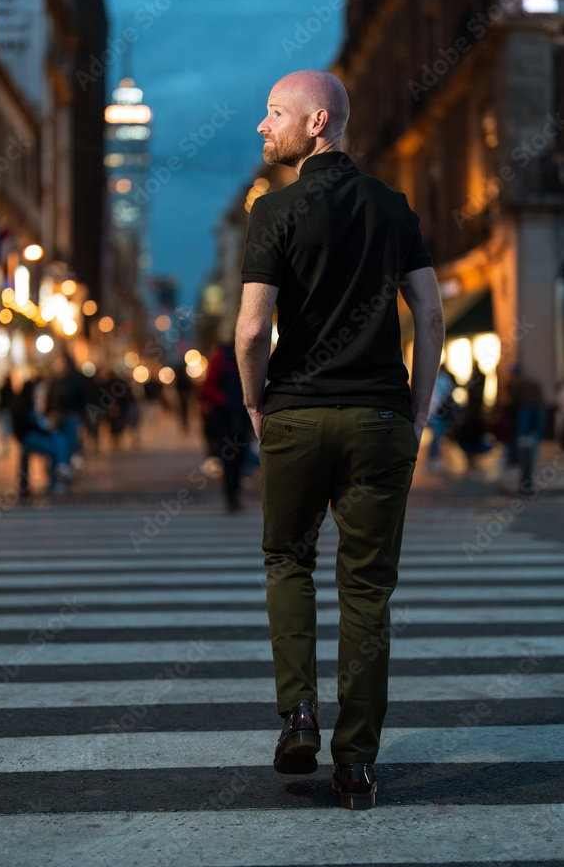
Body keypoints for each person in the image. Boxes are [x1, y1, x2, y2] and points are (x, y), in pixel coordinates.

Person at [236, 70, 444, 810]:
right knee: (367, 591)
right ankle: (355, 765)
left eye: (273, 114)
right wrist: (416, 412)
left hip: (295, 413)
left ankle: (298, 712)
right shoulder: (392, 208)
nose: (262, 127)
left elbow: (255, 327)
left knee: (287, 562)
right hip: (380, 419)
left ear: (316, 122)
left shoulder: (275, 211)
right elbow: (427, 312)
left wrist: (254, 404)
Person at [202, 342, 251, 512]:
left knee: (239, 456)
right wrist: (226, 401)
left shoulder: (233, 355)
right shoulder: (224, 356)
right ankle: (231, 496)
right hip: (227, 417)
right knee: (230, 458)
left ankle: (234, 495)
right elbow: (208, 386)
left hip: (240, 414)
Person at [11, 380, 72, 494]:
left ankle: (61, 470)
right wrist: (46, 430)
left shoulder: (31, 403)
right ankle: (60, 472)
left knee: (60, 439)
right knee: (55, 445)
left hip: (34, 434)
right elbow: (31, 425)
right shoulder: (23, 405)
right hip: (27, 437)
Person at [506, 364, 546, 492]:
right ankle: (531, 457)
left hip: (525, 408)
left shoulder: (516, 383)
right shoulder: (530, 380)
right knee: (535, 435)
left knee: (522, 435)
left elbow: (514, 399)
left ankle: (522, 459)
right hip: (538, 407)